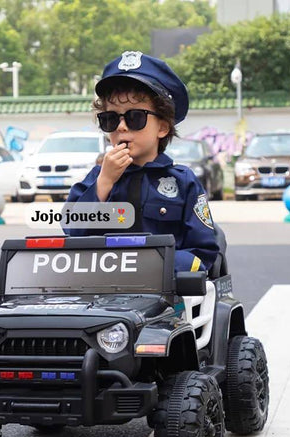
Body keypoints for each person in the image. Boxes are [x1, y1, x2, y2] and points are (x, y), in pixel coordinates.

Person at [66, 51, 219, 273]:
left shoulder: (183, 182)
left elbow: (202, 251)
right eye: (110, 119)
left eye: (135, 117)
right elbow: (72, 230)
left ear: (163, 127)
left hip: (165, 296)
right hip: (102, 295)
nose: (121, 127)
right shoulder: (98, 178)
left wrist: (153, 266)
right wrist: (104, 183)